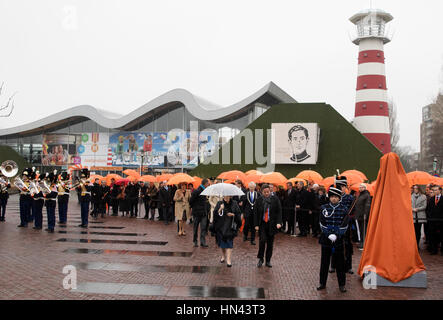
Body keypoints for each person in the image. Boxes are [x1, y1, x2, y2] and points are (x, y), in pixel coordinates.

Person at [317, 186, 349, 293]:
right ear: (329, 197)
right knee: (324, 262)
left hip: (338, 240)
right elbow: (322, 223)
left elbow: (345, 225)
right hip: (326, 240)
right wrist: (328, 234)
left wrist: (337, 234)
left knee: (340, 263)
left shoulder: (344, 209)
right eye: (332, 197)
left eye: (336, 197)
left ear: (339, 198)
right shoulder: (324, 208)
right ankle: (322, 283)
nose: (334, 199)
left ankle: (342, 284)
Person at [254, 184, 282, 268]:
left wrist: (279, 222)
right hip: (262, 224)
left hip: (272, 224)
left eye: (268, 192)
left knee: (270, 243)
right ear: (262, 192)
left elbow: (279, 211)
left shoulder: (275, 199)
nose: (266, 193)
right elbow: (255, 213)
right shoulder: (259, 200)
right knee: (262, 241)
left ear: (270, 191)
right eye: (265, 192)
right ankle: (260, 259)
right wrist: (256, 225)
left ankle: (268, 260)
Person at [213, 196, 242, 267]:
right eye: (225, 196)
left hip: (230, 226)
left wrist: (233, 215)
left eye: (228, 196)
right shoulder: (220, 203)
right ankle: (223, 256)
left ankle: (229, 260)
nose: (227, 197)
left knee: (229, 242)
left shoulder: (234, 203)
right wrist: (220, 209)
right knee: (222, 243)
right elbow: (215, 215)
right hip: (221, 227)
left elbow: (238, 214)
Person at [190, 178, 211, 248]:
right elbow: (191, 201)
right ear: (205, 184)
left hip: (204, 213)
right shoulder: (197, 191)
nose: (209, 184)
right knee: (195, 227)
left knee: (203, 227)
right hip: (197, 212)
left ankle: (202, 241)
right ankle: (195, 241)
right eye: (208, 183)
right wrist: (194, 208)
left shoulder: (206, 191)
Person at [354, 183, 372, 249]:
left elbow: (367, 205)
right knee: (360, 229)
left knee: (363, 229)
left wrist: (365, 214)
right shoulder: (359, 195)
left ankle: (363, 243)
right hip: (358, 215)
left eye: (361, 187)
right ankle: (360, 241)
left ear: (364, 188)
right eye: (359, 187)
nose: (360, 188)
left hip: (363, 215)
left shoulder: (366, 195)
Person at [427, 186, 443, 255]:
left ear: (440, 190)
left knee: (442, 236)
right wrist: (430, 217)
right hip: (432, 221)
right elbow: (428, 209)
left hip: (441, 221)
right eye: (434, 190)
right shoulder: (431, 199)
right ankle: (434, 250)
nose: (435, 191)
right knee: (433, 236)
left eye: (436, 190)